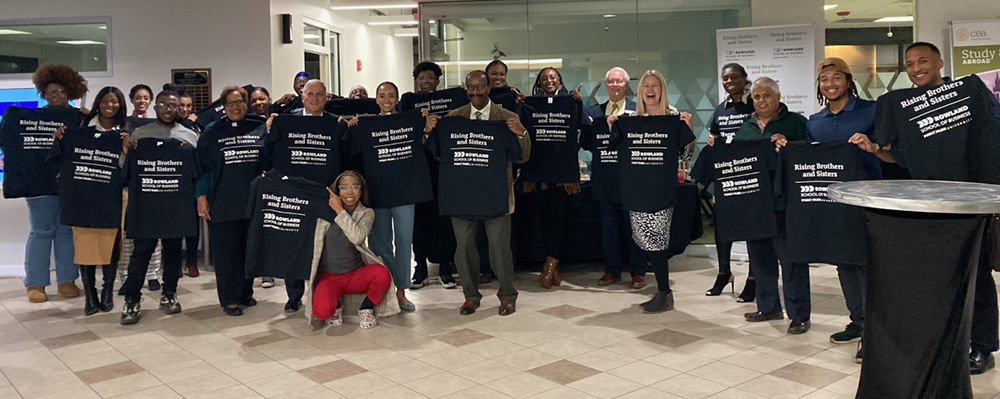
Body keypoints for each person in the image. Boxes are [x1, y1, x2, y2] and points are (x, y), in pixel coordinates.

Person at [851, 41, 1000, 374]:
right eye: (910, 64)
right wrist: (874, 149)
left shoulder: (970, 94)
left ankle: (983, 346)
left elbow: (991, 138)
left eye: (923, 61)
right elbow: (901, 158)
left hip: (971, 203)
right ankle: (947, 343)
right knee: (937, 277)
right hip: (929, 207)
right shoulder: (904, 108)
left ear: (940, 62)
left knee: (978, 277)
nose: (916, 68)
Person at [432, 70, 531, 316]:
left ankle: (507, 296)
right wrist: (429, 130)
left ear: (489, 88)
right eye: (471, 88)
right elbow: (441, 154)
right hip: (462, 195)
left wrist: (521, 133)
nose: (475, 92)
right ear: (466, 89)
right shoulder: (453, 118)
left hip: (497, 195)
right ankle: (470, 296)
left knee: (499, 249)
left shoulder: (506, 117)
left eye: (480, 87)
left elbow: (523, 156)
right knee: (464, 248)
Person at [807, 57, 878, 363]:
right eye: (825, 79)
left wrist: (872, 146)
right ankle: (858, 322)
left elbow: (889, 149)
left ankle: (875, 332)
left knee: (866, 265)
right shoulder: (814, 121)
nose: (831, 84)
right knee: (843, 263)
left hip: (868, 200)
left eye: (837, 78)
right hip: (833, 203)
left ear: (849, 81)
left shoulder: (870, 111)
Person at [728, 77, 810, 334]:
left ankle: (799, 315)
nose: (761, 101)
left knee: (792, 260)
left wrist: (789, 146)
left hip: (786, 203)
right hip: (755, 204)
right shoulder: (746, 126)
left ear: (778, 97)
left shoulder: (796, 122)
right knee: (761, 260)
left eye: (766, 96)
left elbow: (810, 154)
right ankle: (768, 307)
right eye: (756, 97)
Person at [608, 70, 694, 313]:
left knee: (657, 242)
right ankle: (663, 291)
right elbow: (614, 148)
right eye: (646, 85)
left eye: (655, 85)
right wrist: (613, 127)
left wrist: (689, 133)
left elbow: (686, 157)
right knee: (646, 241)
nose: (650, 89)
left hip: (662, 190)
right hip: (637, 190)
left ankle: (664, 292)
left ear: (662, 89)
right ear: (640, 91)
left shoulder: (673, 118)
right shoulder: (631, 120)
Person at [120, 89, 197, 325]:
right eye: (163, 105)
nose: (168, 110)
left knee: (173, 253)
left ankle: (169, 293)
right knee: (141, 253)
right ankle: (132, 299)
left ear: (179, 108)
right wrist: (125, 149)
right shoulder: (140, 135)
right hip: (147, 205)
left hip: (176, 204)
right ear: (155, 108)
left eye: (173, 106)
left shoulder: (190, 136)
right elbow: (125, 169)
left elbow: (196, 171)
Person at [353, 81, 423, 311]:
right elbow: (352, 148)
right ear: (376, 99)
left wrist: (422, 120)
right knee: (380, 245)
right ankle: (384, 289)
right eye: (382, 95)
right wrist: (353, 126)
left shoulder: (408, 122)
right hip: (378, 193)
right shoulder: (367, 125)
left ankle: (402, 291)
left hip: (405, 191)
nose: (386, 100)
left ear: (397, 99)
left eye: (391, 95)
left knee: (404, 242)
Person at [18, 64, 85, 303]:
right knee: (41, 232)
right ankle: (36, 284)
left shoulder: (80, 119)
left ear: (71, 92)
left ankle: (67, 280)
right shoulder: (28, 119)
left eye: (60, 90)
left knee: (67, 232)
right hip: (39, 184)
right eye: (50, 91)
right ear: (42, 93)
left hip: (70, 184)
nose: (55, 95)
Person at [196, 86, 263, 316]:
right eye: (231, 103)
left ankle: (246, 293)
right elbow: (203, 168)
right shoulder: (212, 131)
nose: (236, 107)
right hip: (222, 201)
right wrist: (201, 196)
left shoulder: (258, 126)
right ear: (223, 106)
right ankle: (229, 299)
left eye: (240, 102)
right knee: (226, 254)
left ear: (247, 104)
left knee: (249, 250)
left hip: (252, 202)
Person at [584, 66, 647, 289]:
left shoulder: (638, 110)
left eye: (619, 82)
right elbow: (586, 142)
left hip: (633, 180)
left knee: (635, 229)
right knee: (608, 230)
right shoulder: (592, 113)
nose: (615, 85)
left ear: (627, 85)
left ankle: (638, 272)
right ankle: (611, 271)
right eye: (611, 82)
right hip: (604, 179)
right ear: (605, 85)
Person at [522, 66, 585, 288]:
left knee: (559, 220)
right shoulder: (531, 104)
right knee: (544, 221)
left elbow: (582, 126)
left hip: (562, 175)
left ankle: (550, 263)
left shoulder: (571, 101)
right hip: (538, 173)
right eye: (544, 78)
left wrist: (577, 103)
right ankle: (553, 265)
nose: (549, 80)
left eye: (552, 77)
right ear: (539, 83)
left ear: (559, 80)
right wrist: (522, 104)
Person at [308, 171, 391, 329]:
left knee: (382, 274)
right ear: (338, 191)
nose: (350, 192)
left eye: (355, 187)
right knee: (322, 312)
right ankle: (336, 305)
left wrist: (340, 211)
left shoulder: (366, 213)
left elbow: (357, 237)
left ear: (361, 190)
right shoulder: (323, 212)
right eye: (344, 187)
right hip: (329, 277)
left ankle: (366, 309)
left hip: (354, 274)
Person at [705, 62, 756, 302]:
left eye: (734, 77)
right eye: (725, 78)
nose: (729, 82)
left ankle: (754, 279)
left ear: (745, 78)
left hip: (752, 177)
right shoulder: (721, 109)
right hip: (726, 177)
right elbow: (713, 135)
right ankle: (724, 272)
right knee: (723, 228)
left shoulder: (755, 102)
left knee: (752, 229)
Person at [408, 61, 459, 289]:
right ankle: (420, 268)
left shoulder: (451, 101)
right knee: (419, 222)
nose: (426, 81)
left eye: (430, 77)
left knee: (444, 221)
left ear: (438, 81)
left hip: (444, 171)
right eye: (421, 78)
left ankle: (446, 268)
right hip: (418, 171)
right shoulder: (408, 103)